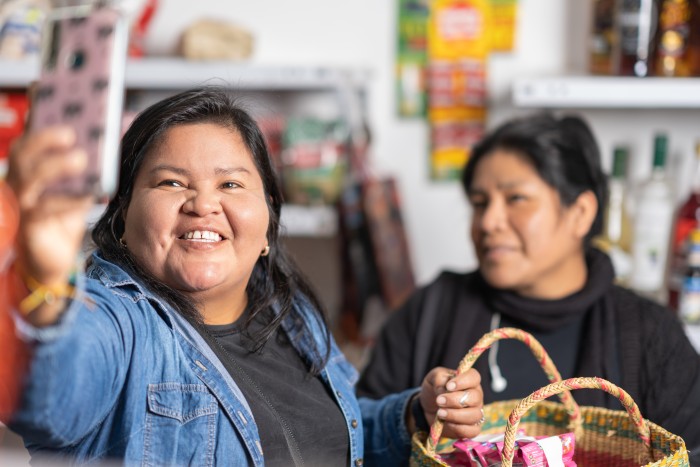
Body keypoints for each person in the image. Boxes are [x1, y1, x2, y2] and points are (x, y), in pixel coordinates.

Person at [3, 87, 485, 466]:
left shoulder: (291, 316)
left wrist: (416, 414)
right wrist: (42, 282)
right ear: (123, 216)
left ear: (268, 224)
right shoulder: (116, 322)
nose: (203, 204)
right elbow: (47, 397)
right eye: (171, 182)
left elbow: (342, 435)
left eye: (231, 183)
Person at [357, 113, 700, 463]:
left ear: (580, 212)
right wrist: (416, 412)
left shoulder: (650, 334)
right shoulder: (432, 309)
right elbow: (353, 436)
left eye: (516, 198)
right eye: (479, 203)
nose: (488, 222)